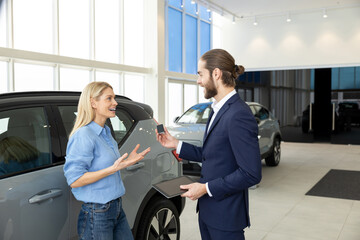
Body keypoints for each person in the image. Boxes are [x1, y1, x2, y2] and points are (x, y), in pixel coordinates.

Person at [156, 49, 262, 240]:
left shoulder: (238, 114)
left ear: (216, 73)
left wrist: (206, 188)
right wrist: (176, 144)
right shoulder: (216, 109)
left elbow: (251, 173)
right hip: (209, 212)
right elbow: (213, 154)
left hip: (226, 217)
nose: (198, 81)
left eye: (200, 74)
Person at [64, 81, 150, 240]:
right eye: (109, 98)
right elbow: (74, 180)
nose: (115, 102)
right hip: (97, 213)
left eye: (114, 98)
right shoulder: (83, 135)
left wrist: (127, 162)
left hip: (115, 208)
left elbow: (105, 165)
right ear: (93, 103)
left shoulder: (105, 131)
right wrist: (112, 169)